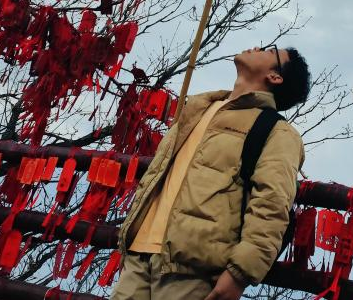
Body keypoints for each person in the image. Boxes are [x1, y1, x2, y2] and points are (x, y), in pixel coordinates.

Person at [111, 44, 311, 300]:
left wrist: (240, 273)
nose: (256, 47)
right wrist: (129, 241)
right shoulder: (198, 109)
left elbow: (272, 204)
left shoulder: (278, 132)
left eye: (269, 51)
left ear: (275, 77)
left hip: (194, 270)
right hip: (138, 257)